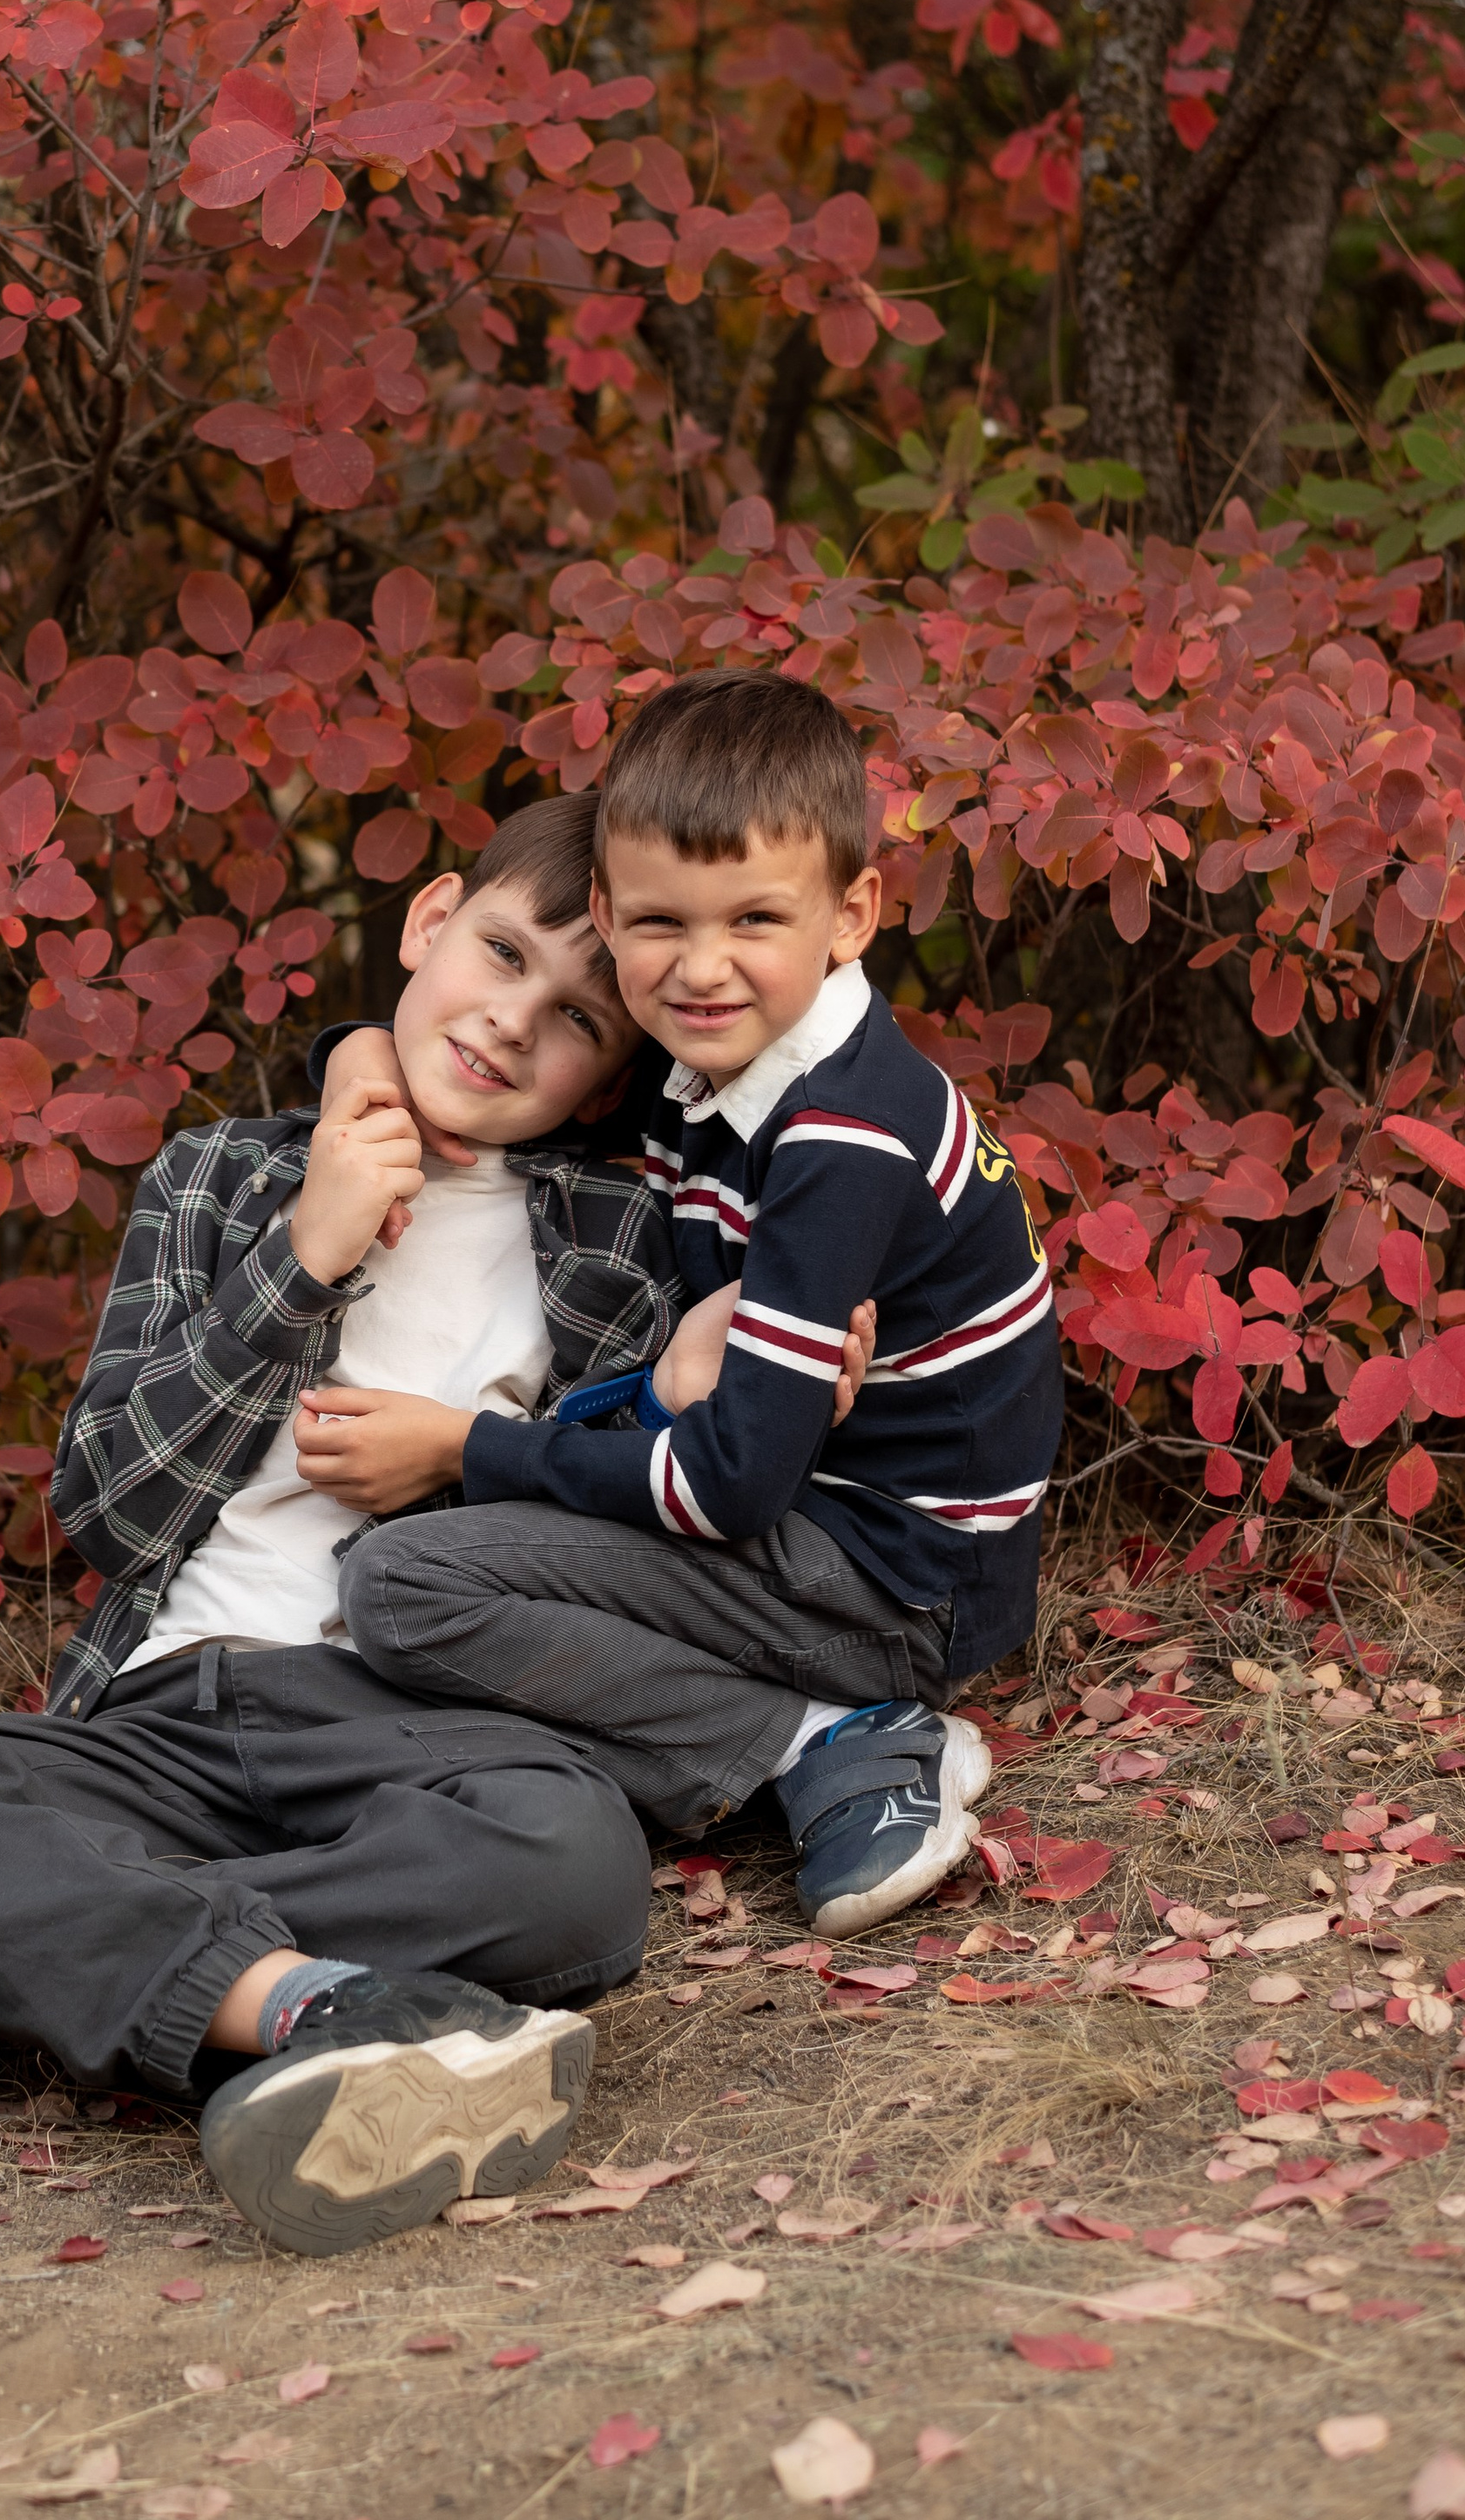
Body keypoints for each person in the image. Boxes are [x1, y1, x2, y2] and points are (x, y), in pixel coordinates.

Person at [0, 797, 873, 2255]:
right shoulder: (221, 1179)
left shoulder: (610, 1231)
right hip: (161, 1716)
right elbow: (110, 1507)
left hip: (415, 1723)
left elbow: (610, 1538)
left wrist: (679, 1393)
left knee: (573, 1868)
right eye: (502, 955)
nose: (516, 1023)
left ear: (609, 1079)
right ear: (427, 921)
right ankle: (316, 2006)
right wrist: (306, 1257)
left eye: (580, 1019)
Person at [320, 669, 1060, 1939]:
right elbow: (484, 1062)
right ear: (606, 914)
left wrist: (466, 1450)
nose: (701, 968)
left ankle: (833, 1739)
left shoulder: (843, 1139)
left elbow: (725, 1489)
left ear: (852, 913)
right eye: (659, 922)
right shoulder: (714, 1055)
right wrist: (358, 1066)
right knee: (442, 1599)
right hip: (822, 1517)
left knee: (402, 1590)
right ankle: (798, 1733)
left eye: (755, 920)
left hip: (897, 1577)